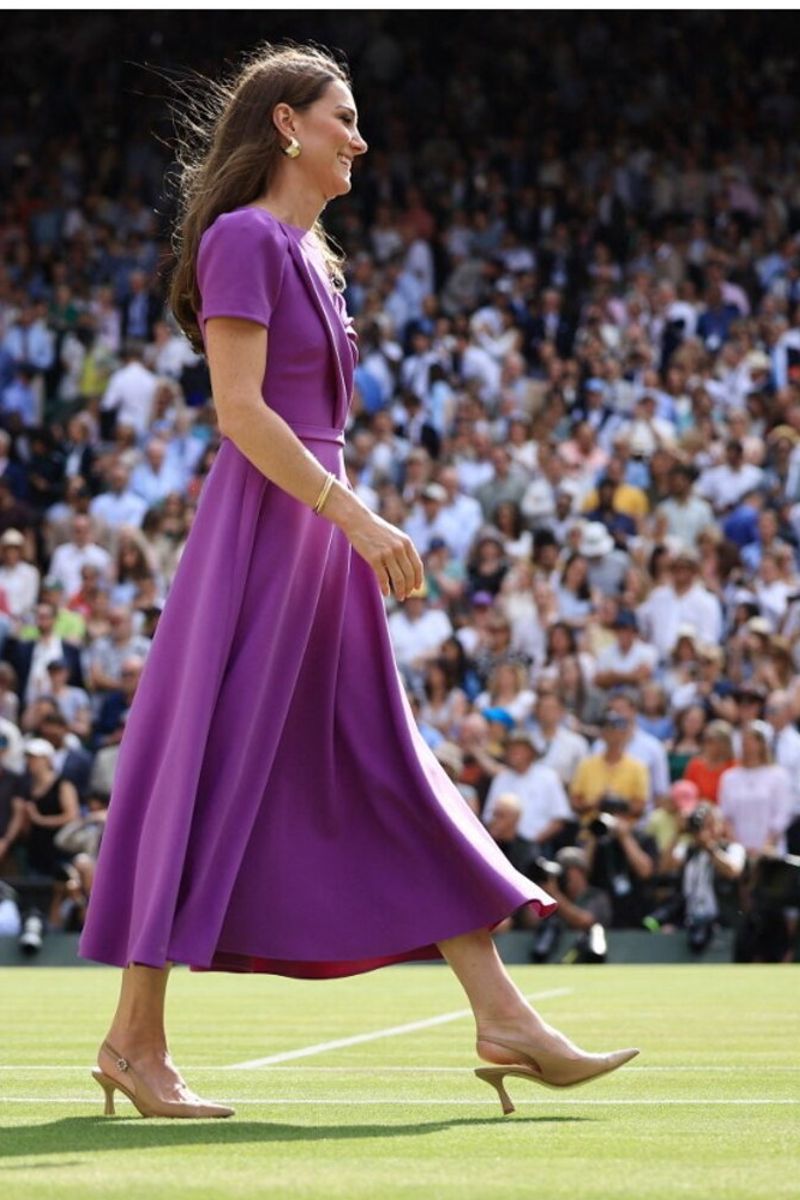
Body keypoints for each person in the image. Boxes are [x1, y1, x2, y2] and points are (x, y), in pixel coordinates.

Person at [77, 45, 636, 1121]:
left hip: (308, 543)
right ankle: (133, 1045)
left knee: (383, 763)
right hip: (265, 541)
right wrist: (352, 514)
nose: (360, 138)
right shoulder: (245, 238)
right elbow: (241, 413)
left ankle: (501, 1017)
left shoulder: (309, 255)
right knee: (207, 769)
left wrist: (343, 519)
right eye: (343, 118)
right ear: (286, 125)